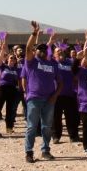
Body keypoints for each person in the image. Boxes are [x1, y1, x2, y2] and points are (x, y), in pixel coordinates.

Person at [23, 21, 63, 163]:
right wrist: (34, 33)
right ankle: (28, 152)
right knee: (32, 126)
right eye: (39, 49)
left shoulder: (53, 65)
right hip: (34, 98)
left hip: (49, 100)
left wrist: (55, 96)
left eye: (44, 50)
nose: (41, 51)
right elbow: (28, 48)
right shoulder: (31, 62)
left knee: (46, 127)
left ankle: (45, 150)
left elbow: (60, 83)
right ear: (35, 52)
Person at [51, 45, 80, 143]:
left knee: (71, 117)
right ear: (54, 54)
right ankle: (56, 136)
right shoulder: (53, 63)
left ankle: (73, 136)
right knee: (56, 117)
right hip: (56, 94)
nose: (60, 52)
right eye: (57, 51)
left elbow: (76, 75)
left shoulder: (70, 62)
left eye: (61, 51)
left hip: (69, 94)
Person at [0, 52, 22, 134]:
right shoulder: (3, 67)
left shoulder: (16, 70)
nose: (12, 59)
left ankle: (9, 127)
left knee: (10, 110)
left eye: (14, 58)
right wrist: (2, 47)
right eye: (11, 58)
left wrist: (19, 88)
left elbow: (20, 79)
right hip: (2, 89)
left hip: (12, 90)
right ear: (7, 59)